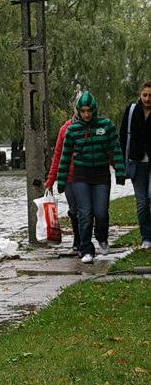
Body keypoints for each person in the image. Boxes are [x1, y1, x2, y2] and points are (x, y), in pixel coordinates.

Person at [56, 91, 126, 263]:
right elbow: (64, 156)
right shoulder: (72, 130)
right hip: (81, 176)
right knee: (84, 213)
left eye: (89, 111)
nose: (87, 114)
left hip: (101, 175)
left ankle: (102, 237)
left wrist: (120, 171)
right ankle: (86, 249)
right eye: (83, 111)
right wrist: (61, 180)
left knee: (101, 212)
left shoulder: (106, 126)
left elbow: (115, 149)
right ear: (79, 111)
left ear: (94, 110)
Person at [44, 94, 82, 252]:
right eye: (78, 108)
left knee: (86, 210)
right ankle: (77, 237)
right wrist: (51, 179)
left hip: (88, 175)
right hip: (69, 177)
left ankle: (84, 240)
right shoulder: (65, 129)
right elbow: (57, 155)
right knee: (74, 209)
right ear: (74, 109)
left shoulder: (95, 127)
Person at [119, 80, 151, 249]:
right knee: (142, 202)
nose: (147, 98)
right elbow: (123, 136)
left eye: (150, 95)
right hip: (137, 162)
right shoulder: (132, 111)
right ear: (140, 94)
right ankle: (146, 236)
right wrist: (121, 165)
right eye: (144, 95)